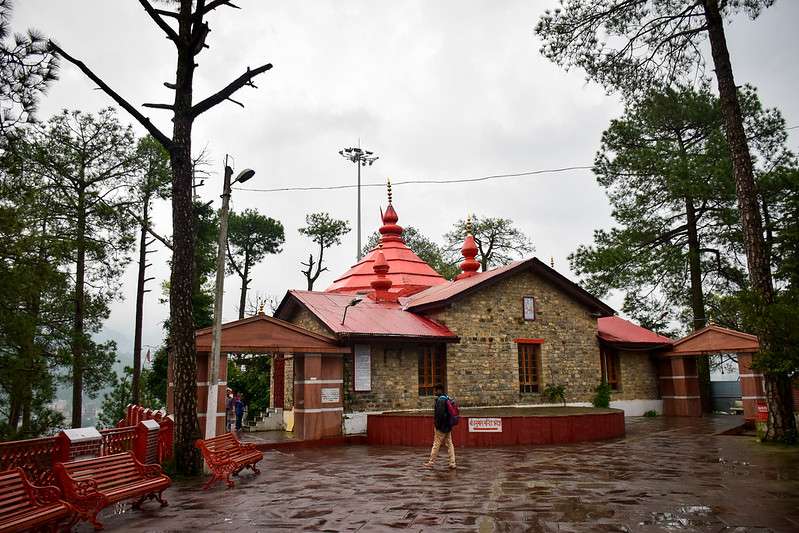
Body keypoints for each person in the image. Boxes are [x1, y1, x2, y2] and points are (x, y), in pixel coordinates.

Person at [424, 384, 456, 469]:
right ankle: (452, 462)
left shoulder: (440, 400)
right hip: (448, 426)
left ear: (439, 390)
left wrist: (437, 426)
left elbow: (439, 415)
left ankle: (431, 462)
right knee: (450, 444)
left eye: (436, 390)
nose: (435, 392)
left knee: (436, 444)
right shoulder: (447, 398)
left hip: (441, 427)